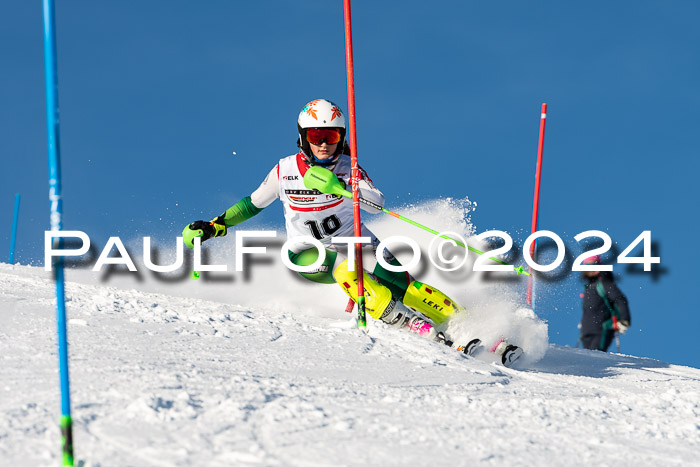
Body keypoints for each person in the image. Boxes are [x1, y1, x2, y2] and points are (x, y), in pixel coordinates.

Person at [182, 98, 522, 366]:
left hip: (356, 241)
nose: (325, 145)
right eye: (317, 137)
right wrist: (215, 226)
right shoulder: (284, 170)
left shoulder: (350, 167)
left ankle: (466, 327)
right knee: (347, 269)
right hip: (308, 253)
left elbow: (377, 202)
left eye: (332, 137)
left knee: (405, 283)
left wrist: (346, 187)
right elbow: (253, 204)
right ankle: (410, 325)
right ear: (303, 137)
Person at [579, 255, 631, 352]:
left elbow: (620, 299)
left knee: (594, 358)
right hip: (586, 331)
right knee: (586, 361)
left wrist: (624, 320)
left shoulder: (605, 283)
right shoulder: (588, 287)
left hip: (601, 329)